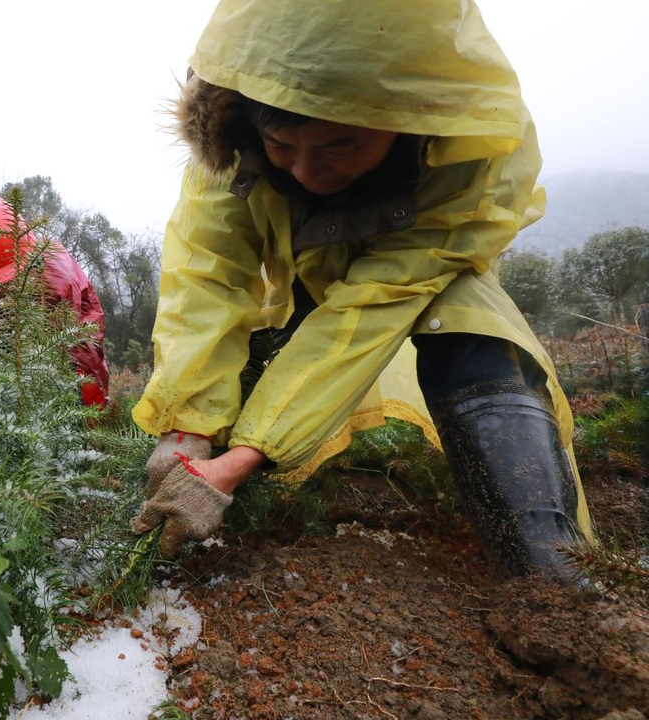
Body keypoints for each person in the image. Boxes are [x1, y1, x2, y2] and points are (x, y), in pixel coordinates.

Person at [130, 0, 594, 580]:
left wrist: (240, 461)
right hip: (303, 266)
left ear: (401, 120)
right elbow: (206, 277)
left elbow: (371, 306)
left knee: (470, 326)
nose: (306, 173)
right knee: (268, 345)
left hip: (420, 279)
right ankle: (249, 479)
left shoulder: (472, 155)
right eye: (281, 144)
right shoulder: (230, 140)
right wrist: (188, 429)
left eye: (339, 145)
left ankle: (549, 572)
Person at [0, 196, 111, 408]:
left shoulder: (56, 276)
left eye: (1, 280)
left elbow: (64, 346)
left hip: (68, 332)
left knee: (80, 387)